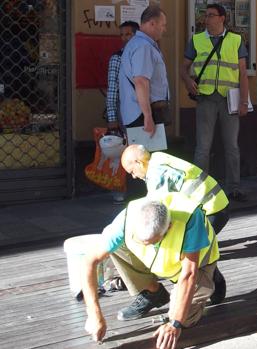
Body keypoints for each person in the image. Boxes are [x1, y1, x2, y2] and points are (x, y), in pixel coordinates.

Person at [82, 193, 224, 347]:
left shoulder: (190, 218)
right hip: (165, 261)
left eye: (151, 242)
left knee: (185, 318)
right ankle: (153, 292)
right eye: (141, 241)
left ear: (168, 228)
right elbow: (89, 261)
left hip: (199, 263)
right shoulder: (126, 220)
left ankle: (210, 278)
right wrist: (93, 314)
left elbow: (188, 274)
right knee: (116, 248)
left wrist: (175, 323)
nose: (145, 246)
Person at [180, 4, 249, 202]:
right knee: (203, 146)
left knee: (232, 146)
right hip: (206, 98)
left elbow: (243, 73)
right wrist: (187, 81)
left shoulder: (236, 40)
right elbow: (183, 68)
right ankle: (198, 190)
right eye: (205, 15)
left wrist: (244, 101)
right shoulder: (196, 40)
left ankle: (234, 188)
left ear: (222, 18)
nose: (206, 19)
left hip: (229, 99)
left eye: (211, 15)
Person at [121, 144, 230, 235]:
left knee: (179, 246)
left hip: (212, 213)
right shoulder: (158, 157)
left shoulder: (156, 174)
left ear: (139, 163)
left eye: (132, 172)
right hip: (218, 206)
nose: (134, 177)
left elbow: (156, 210)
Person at [119, 5, 169, 138]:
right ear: (152, 23)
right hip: (141, 116)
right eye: (163, 25)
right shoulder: (143, 46)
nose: (165, 29)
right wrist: (148, 116)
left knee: (144, 157)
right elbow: (141, 81)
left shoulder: (139, 44)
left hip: (140, 113)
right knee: (146, 157)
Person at [105, 21, 139, 204]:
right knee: (124, 152)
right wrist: (112, 118)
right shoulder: (117, 58)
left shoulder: (143, 55)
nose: (125, 38)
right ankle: (121, 188)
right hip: (123, 111)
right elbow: (112, 89)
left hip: (143, 111)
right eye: (122, 35)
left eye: (128, 34)